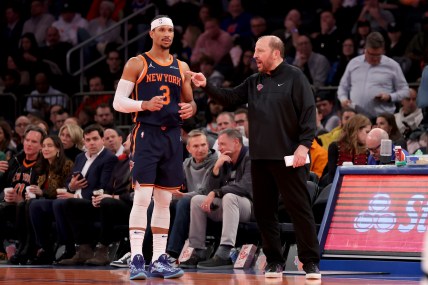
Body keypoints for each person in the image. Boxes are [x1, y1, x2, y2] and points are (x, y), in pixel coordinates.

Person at [187, 35, 321, 280]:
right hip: (259, 159)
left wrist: (304, 146)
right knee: (264, 212)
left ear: (276, 53)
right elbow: (228, 98)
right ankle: (274, 262)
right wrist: (206, 85)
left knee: (299, 210)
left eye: (260, 50)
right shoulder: (253, 81)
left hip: (290, 158)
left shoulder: (295, 77)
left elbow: (308, 114)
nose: (255, 55)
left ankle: (310, 262)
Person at [112, 15, 196, 280]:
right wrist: (143, 105)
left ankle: (160, 259)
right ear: (151, 33)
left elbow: (190, 103)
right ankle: (137, 257)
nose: (167, 34)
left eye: (170, 30)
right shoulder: (137, 62)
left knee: (163, 200)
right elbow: (118, 102)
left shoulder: (182, 66)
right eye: (161, 30)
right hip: (147, 133)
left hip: (172, 136)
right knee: (142, 197)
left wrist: (190, 108)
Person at [180, 129, 253, 269]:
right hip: (228, 206)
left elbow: (245, 187)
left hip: (249, 206)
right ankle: (198, 251)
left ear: (236, 142)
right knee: (197, 200)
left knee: (230, 197)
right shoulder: (224, 159)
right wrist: (216, 169)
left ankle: (224, 253)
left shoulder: (251, 158)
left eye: (222, 144)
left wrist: (216, 193)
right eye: (218, 144)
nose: (218, 148)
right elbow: (208, 190)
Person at [338, 32, 409, 119]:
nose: (375, 58)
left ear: (383, 50)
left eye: (378, 55)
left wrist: (390, 97)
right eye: (371, 54)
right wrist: (343, 99)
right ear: (365, 49)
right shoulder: (353, 63)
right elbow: (342, 87)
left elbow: (405, 91)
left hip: (383, 119)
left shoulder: (393, 66)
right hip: (357, 118)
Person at [326, 114, 371, 185]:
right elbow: (332, 175)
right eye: (367, 132)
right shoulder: (335, 147)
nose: (369, 136)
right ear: (357, 130)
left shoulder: (367, 151)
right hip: (338, 186)